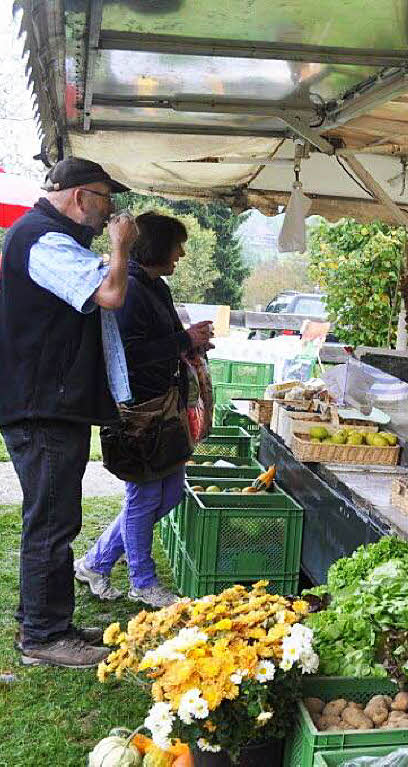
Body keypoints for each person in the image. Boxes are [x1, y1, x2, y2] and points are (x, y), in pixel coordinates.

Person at [0, 157, 137, 668]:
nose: (110, 213)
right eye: (106, 201)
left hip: (52, 404)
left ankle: (53, 623)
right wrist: (120, 249)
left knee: (58, 517)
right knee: (52, 522)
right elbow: (111, 294)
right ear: (82, 197)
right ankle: (41, 636)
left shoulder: (50, 238)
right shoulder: (43, 238)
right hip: (43, 407)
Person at [75, 213, 215, 609]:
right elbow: (128, 354)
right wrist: (182, 339)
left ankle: (96, 562)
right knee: (144, 495)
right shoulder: (131, 289)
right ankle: (143, 581)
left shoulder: (155, 286)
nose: (182, 254)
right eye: (177, 245)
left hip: (164, 407)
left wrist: (190, 343)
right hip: (137, 412)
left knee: (169, 493)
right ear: (156, 246)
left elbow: (164, 339)